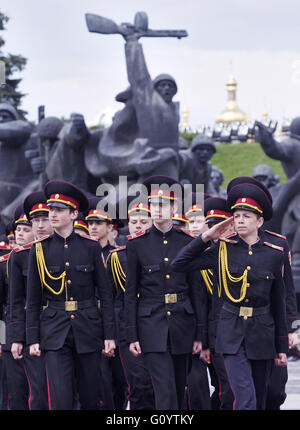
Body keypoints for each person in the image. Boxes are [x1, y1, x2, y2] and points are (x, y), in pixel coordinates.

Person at [171, 179, 289, 410]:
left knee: (260, 398)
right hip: (231, 332)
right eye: (237, 215)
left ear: (260, 220)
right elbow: (179, 264)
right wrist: (206, 236)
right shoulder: (223, 249)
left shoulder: (274, 253)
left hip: (262, 333)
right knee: (244, 398)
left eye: (247, 216)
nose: (241, 220)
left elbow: (278, 302)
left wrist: (281, 347)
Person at [25, 180, 116, 410]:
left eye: (59, 210)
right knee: (60, 398)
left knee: (90, 398)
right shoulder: (40, 249)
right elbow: (33, 299)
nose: (52, 214)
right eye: (51, 209)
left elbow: (105, 295)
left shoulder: (91, 247)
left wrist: (109, 334)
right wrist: (33, 339)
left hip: (88, 327)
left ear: (74, 213)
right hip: (54, 330)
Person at [124, 175, 204, 410]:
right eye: (154, 205)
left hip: (182, 323)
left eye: (163, 205)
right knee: (165, 390)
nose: (157, 210)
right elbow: (131, 293)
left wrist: (200, 334)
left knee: (179, 391)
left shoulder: (188, 242)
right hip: (151, 324)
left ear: (174, 207)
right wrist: (132, 335)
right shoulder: (136, 245)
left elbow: (196, 291)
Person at [106, 198, 155, 410]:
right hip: (128, 329)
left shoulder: (161, 253)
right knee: (138, 386)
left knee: (161, 386)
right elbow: (110, 299)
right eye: (134, 222)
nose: (137, 226)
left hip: (156, 324)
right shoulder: (116, 258)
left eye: (143, 222)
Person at [9, 192, 53, 410]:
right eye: (36, 221)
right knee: (38, 393)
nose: (41, 225)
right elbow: (14, 303)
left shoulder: (69, 250)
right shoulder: (19, 257)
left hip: (67, 326)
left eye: (46, 219)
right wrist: (15, 338)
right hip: (32, 328)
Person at [85, 196, 128, 410]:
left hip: (118, 323)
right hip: (91, 324)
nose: (93, 227)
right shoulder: (82, 255)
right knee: (99, 383)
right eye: (90, 223)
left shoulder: (119, 256)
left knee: (123, 382)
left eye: (98, 223)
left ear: (111, 227)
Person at [1, 204, 34, 409]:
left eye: (25, 229)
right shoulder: (5, 263)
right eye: (18, 230)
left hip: (38, 330)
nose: (20, 234)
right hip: (9, 331)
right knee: (14, 391)